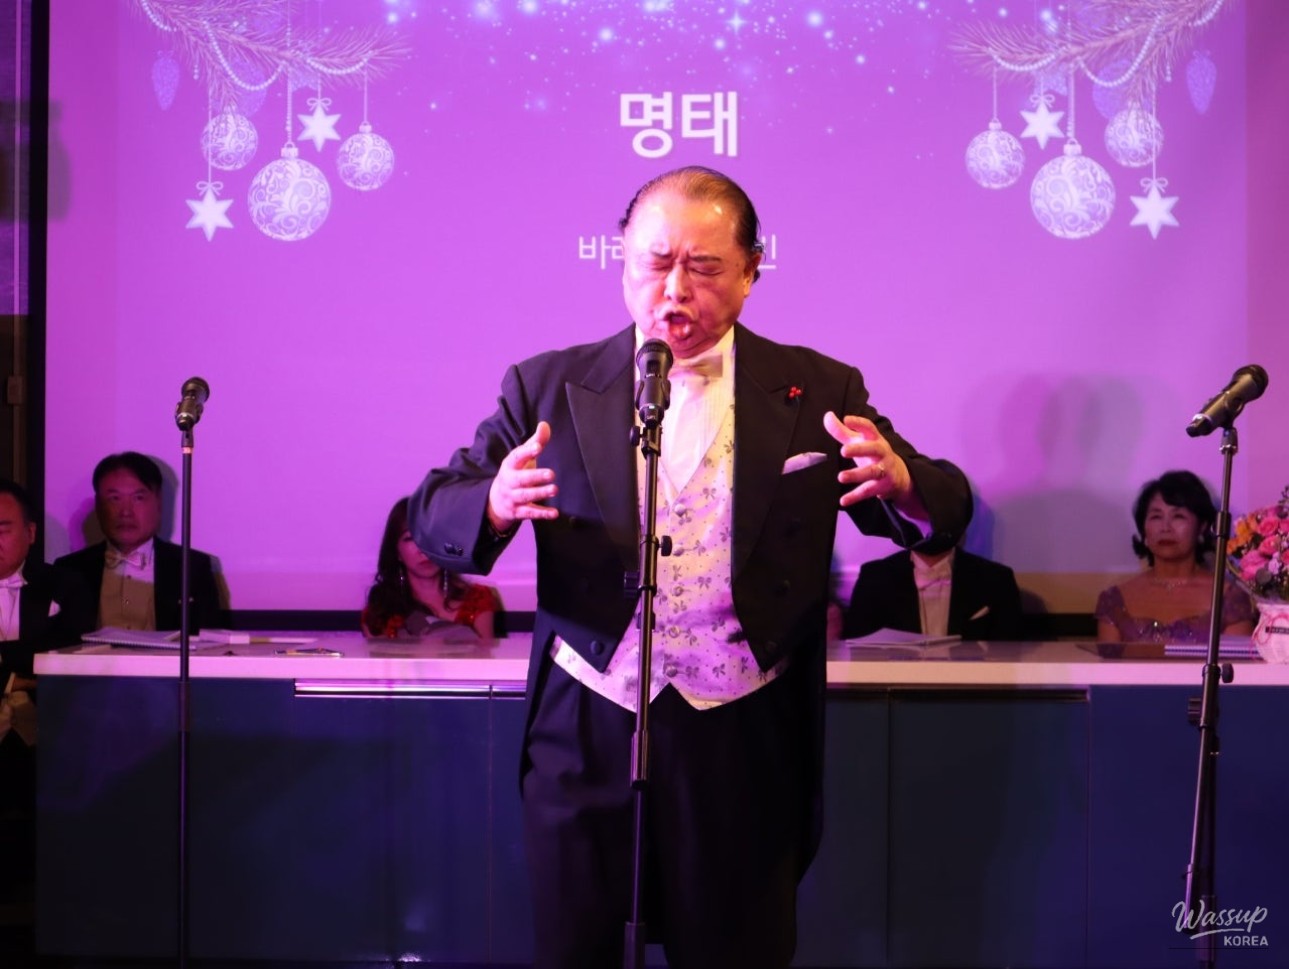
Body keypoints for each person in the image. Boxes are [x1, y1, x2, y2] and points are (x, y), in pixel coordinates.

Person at [407, 166, 972, 969]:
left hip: (742, 728)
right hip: (587, 721)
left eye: (702, 267)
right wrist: (493, 503)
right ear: (622, 262)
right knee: (576, 949)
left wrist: (904, 482)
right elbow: (433, 508)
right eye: (653, 262)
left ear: (750, 272)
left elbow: (944, 506)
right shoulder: (547, 386)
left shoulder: (816, 387)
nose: (673, 289)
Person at [0, 479, 93, 817]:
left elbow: (69, 649)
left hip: (47, 739)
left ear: (30, 532)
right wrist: (20, 676)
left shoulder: (65, 584)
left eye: (2, 530)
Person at [53, 451, 223, 631]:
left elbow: (209, 641)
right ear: (98, 505)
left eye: (138, 498)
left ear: (158, 503)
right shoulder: (69, 570)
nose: (126, 512)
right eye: (114, 499)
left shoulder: (191, 567)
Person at [1095, 469, 1255, 643]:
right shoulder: (1116, 600)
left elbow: (1237, 660)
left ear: (1201, 526)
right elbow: (1107, 660)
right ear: (1144, 529)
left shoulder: (1228, 598)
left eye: (1178, 516)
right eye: (1156, 517)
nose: (1165, 528)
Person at [361, 496, 498, 639]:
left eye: (432, 537)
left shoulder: (476, 600)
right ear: (397, 552)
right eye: (410, 538)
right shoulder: (379, 613)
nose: (423, 550)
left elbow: (485, 653)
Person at [844, 537, 1024, 641]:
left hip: (971, 693)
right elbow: (858, 651)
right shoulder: (875, 577)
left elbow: (1010, 653)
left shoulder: (996, 578)